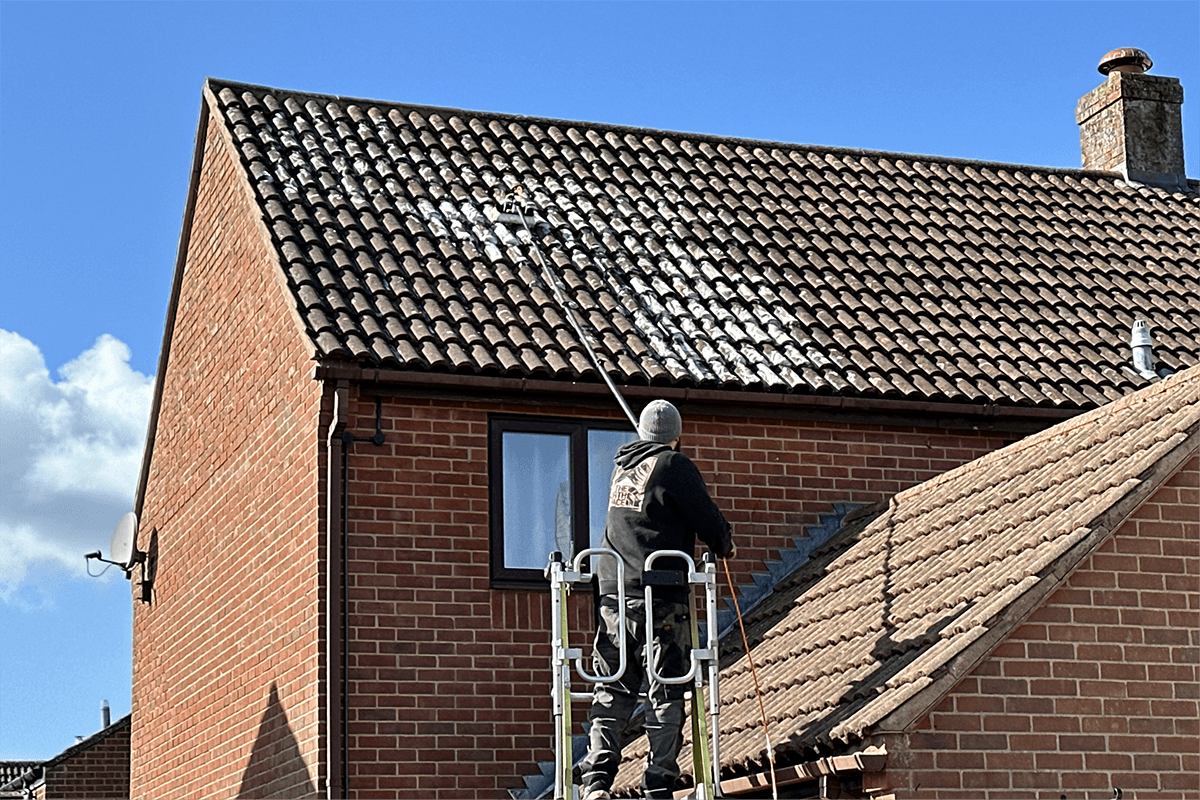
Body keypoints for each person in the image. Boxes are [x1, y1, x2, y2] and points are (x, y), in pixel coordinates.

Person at [580, 399, 735, 800]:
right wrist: (723, 544)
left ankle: (596, 780)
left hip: (613, 599)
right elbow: (706, 517)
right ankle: (658, 782)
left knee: (613, 688)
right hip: (658, 599)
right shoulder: (672, 466)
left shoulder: (623, 467)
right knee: (664, 689)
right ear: (676, 436)